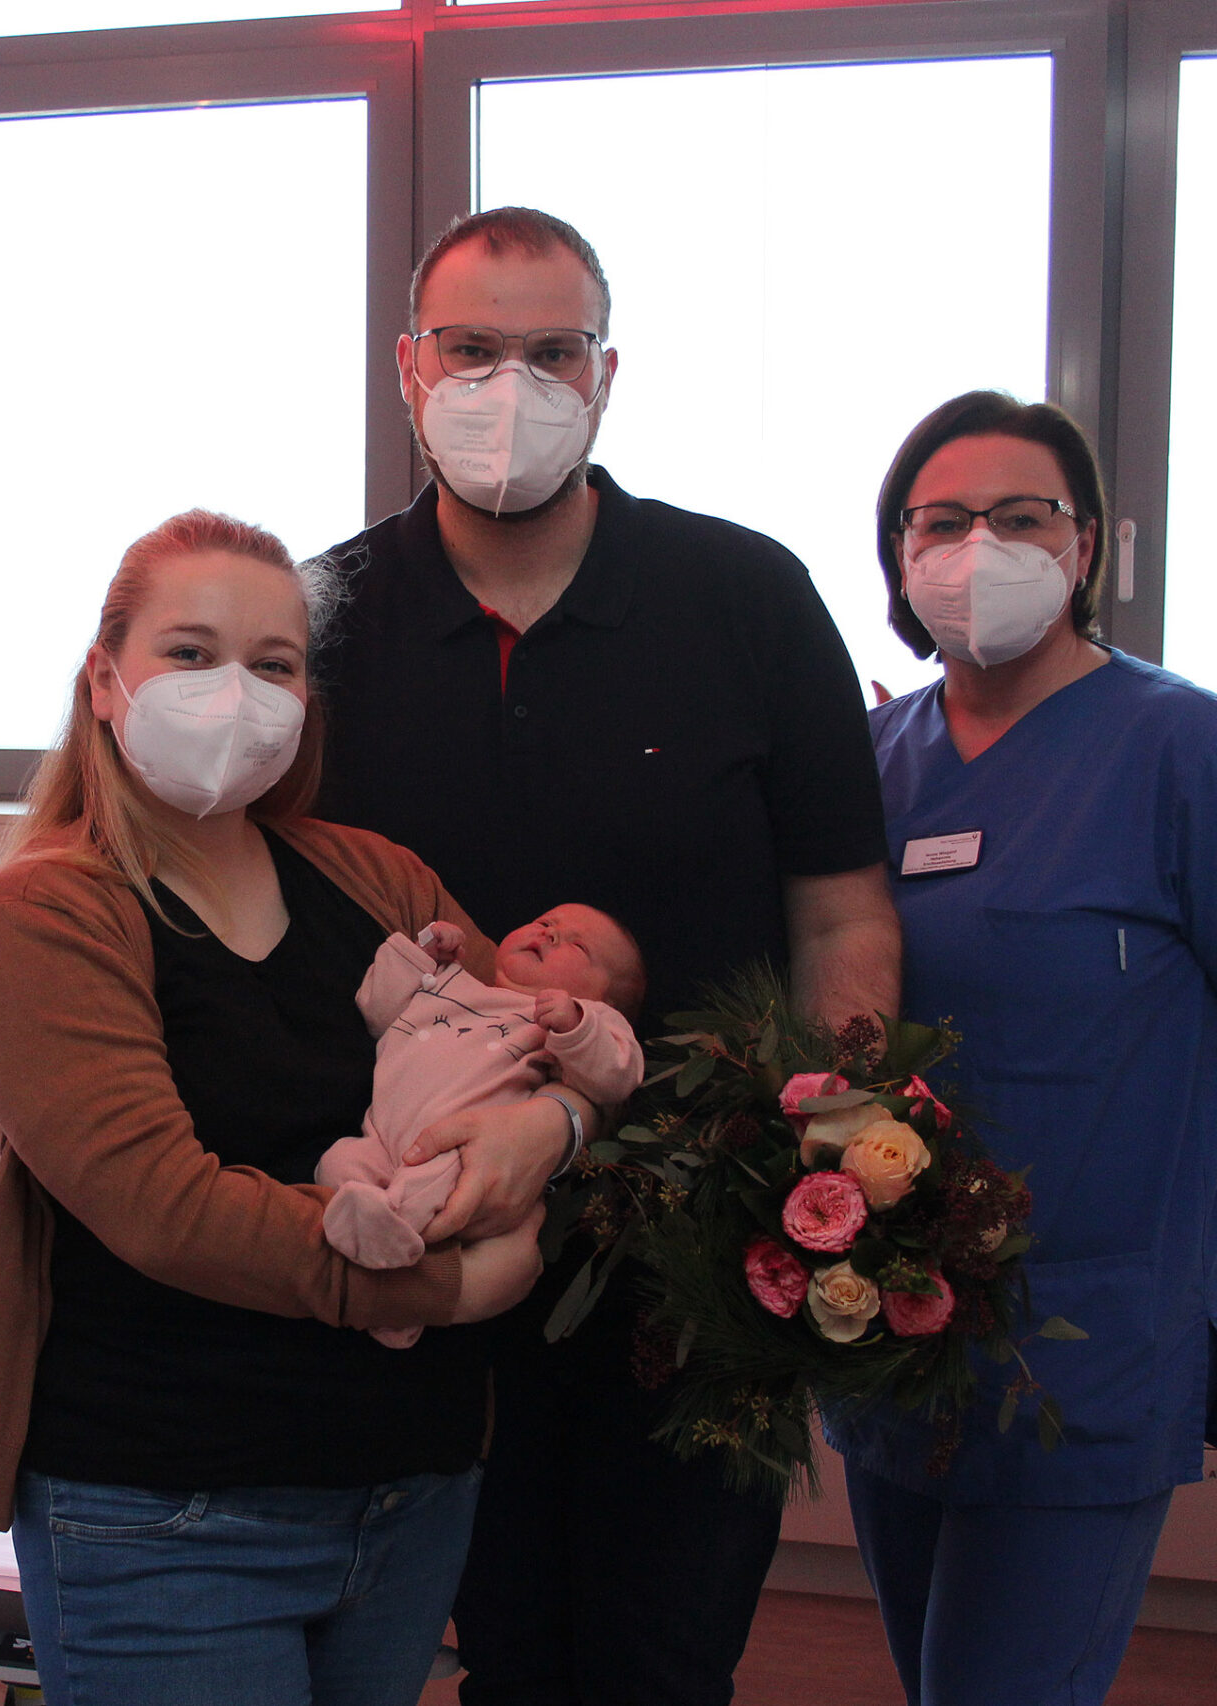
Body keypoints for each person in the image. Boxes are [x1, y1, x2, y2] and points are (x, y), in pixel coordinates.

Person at [315, 206, 902, 1704]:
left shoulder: (747, 600)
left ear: (607, 373)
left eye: (552, 351)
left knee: (663, 1660)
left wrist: (835, 1175)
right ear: (407, 368)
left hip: (695, 1265)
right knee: (493, 1649)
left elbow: (840, 911)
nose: (508, 386)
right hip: (432, 1251)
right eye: (470, 348)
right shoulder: (326, 623)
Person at [0, 508, 566, 1706]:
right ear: (104, 680)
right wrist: (445, 1287)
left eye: (272, 663)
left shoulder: (374, 877)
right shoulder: (45, 913)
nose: (234, 691)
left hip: (408, 1488)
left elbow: (535, 1043)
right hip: (166, 1508)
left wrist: (555, 1127)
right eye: (189, 652)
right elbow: (165, 1207)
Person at [829, 390, 1217, 1705]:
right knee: (931, 1673)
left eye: (1022, 517)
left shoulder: (1196, 753)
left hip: (1088, 1334)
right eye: (942, 521)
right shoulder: (872, 764)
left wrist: (1165, 1198)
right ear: (900, 554)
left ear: (1085, 547)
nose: (980, 547)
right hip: (900, 1320)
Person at [317, 907, 644, 1313]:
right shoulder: (448, 980)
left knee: (424, 1186)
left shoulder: (573, 1022)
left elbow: (615, 1079)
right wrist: (422, 952)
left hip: (462, 1154)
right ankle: (389, 1289)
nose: (550, 935)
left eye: (578, 946)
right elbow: (376, 1011)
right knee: (338, 1162)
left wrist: (579, 1024)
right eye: (545, 923)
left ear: (603, 999)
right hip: (380, 1141)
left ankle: (389, 1275)